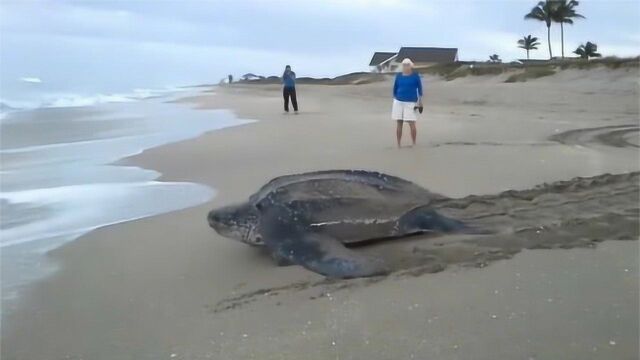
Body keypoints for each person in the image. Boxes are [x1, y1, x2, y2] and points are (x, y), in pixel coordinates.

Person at [392, 58, 423, 147]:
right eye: (404, 65)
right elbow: (395, 87)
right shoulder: (398, 76)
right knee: (399, 122)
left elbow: (420, 89)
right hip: (398, 101)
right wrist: (395, 96)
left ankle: (414, 143)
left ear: (411, 66)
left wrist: (420, 101)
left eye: (407, 65)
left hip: (411, 102)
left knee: (411, 122)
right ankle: (398, 144)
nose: (405, 66)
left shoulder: (415, 76)